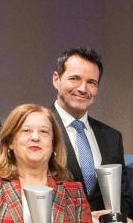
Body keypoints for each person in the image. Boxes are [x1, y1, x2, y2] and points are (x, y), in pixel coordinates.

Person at [48, 47, 125, 214]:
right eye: (74, 78)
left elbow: (122, 193)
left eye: (91, 82)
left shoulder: (112, 137)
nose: (83, 88)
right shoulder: (38, 131)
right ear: (56, 79)